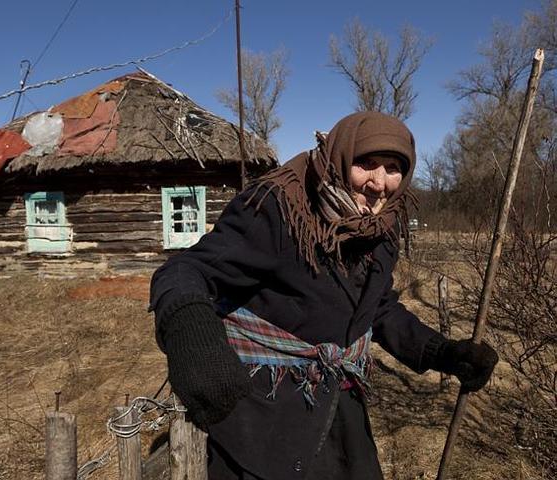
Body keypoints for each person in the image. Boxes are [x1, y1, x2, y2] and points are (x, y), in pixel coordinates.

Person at [149, 111, 498, 480]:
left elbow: (376, 308)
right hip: (264, 410)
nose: (379, 183)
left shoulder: (383, 227)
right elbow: (186, 270)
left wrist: (440, 351)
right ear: (340, 156)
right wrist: (192, 330)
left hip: (339, 404)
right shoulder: (278, 209)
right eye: (366, 163)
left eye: (393, 168)